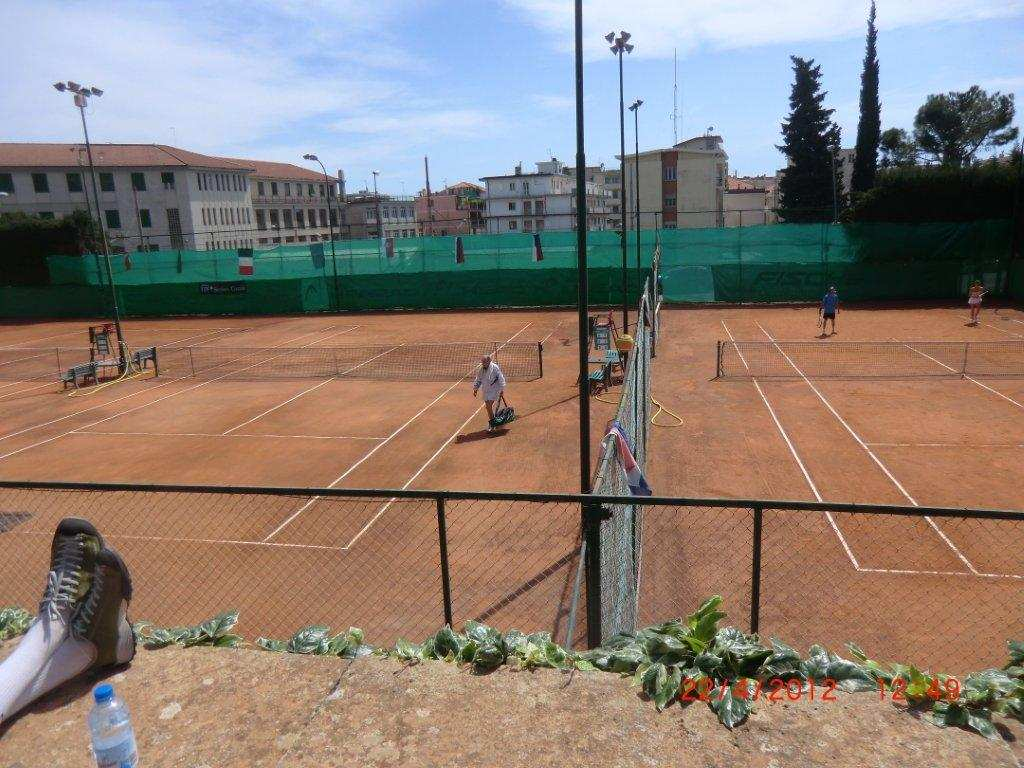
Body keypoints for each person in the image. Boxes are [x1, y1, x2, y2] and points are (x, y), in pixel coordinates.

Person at [472, 354, 506, 432]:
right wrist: (475, 389)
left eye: (484, 362)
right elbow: (478, 379)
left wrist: (502, 389)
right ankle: (494, 422)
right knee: (488, 408)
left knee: (488, 406)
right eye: (482, 362)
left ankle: (492, 424)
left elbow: (501, 378)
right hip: (486, 390)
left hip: (495, 389)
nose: (483, 363)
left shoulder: (495, 367)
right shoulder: (481, 369)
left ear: (489, 361)